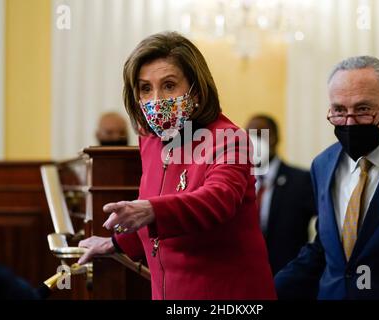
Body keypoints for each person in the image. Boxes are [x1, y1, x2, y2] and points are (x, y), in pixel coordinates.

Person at [78, 32, 276, 300]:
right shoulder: (150, 141)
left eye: (169, 85)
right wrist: (114, 243)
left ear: (196, 90)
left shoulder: (229, 139)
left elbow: (218, 200)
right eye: (145, 88)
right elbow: (150, 216)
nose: (156, 99)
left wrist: (151, 210)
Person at [274, 56, 379, 299]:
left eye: (363, 109)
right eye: (339, 110)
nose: (349, 122)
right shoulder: (323, 164)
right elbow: (326, 247)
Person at [245, 115, 316, 275]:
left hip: (289, 276)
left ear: (275, 138)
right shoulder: (239, 182)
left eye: (260, 134)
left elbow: (326, 225)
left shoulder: (301, 180)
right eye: (249, 135)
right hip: (247, 276)